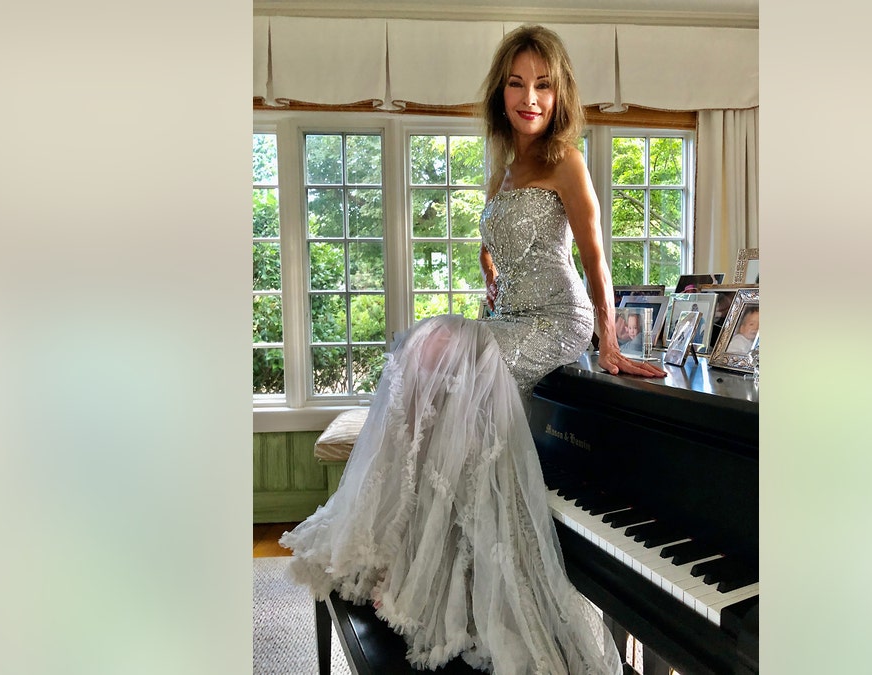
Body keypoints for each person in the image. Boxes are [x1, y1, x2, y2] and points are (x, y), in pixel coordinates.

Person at [280, 25, 663, 675]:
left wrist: (608, 339)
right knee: (422, 362)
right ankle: (407, 554)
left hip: (557, 319)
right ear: (500, 93)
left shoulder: (566, 161)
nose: (530, 98)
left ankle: (411, 560)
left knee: (432, 350)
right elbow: (494, 243)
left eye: (543, 85)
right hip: (510, 314)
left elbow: (595, 257)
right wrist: (492, 273)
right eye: (517, 83)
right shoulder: (505, 170)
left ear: (559, 94)